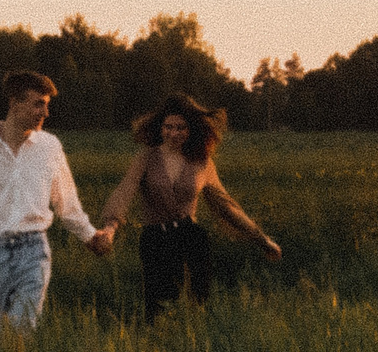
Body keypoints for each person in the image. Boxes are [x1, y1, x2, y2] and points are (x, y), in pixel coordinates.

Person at [0, 70, 115, 330]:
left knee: (22, 331)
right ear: (14, 103)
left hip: (34, 251)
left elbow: (67, 202)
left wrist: (89, 236)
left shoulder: (50, 147)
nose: (45, 113)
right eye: (38, 103)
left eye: (47, 105)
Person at [96, 92, 280, 320]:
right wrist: (110, 228)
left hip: (191, 238)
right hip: (155, 240)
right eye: (168, 127)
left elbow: (226, 205)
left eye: (181, 128)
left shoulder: (201, 162)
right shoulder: (147, 157)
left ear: (191, 129)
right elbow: (125, 190)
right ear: (160, 127)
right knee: (158, 309)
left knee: (196, 308)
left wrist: (261, 238)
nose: (174, 133)